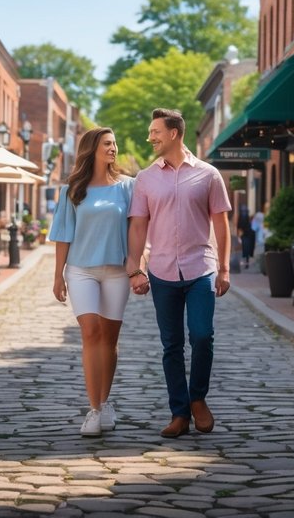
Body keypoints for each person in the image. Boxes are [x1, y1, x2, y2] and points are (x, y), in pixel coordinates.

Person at [127, 108, 232, 438]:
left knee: (202, 336)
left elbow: (221, 223)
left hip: (201, 268)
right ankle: (179, 412)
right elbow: (138, 225)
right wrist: (135, 270)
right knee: (171, 344)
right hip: (160, 272)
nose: (151, 137)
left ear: (174, 133)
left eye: (156, 131)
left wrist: (225, 268)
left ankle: (198, 398)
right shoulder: (145, 178)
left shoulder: (208, 175)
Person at [49, 127, 135, 437]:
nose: (113, 149)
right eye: (107, 144)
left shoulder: (128, 187)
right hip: (80, 270)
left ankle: (105, 401)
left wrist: (139, 263)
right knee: (90, 332)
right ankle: (94, 410)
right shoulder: (72, 189)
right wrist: (58, 275)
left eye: (114, 143)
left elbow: (137, 229)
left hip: (117, 271)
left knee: (110, 340)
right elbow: (62, 234)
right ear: (92, 149)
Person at [237, 204, 256, 269]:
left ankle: (246, 262)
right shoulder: (245, 217)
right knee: (247, 249)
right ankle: (246, 262)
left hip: (246, 235)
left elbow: (239, 227)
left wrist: (239, 236)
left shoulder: (242, 217)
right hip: (248, 235)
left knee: (246, 249)